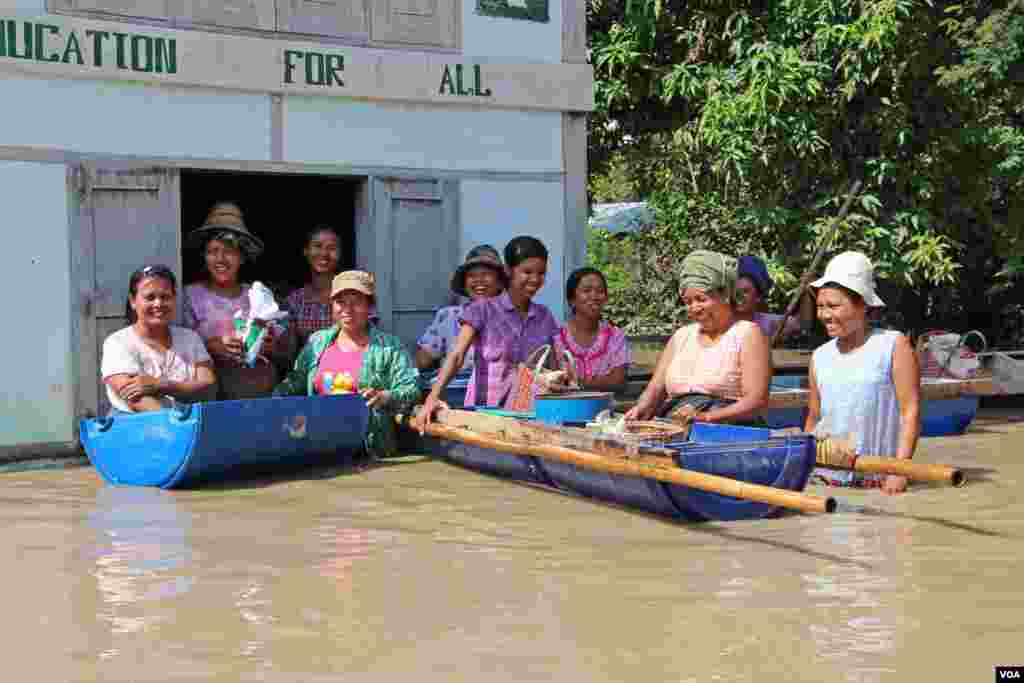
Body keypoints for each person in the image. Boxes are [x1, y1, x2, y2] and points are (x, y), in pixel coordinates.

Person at [416, 236, 568, 428]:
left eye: (541, 273)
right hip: (484, 416)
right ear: (508, 271)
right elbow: (456, 355)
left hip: (527, 416)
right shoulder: (482, 310)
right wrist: (432, 398)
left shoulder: (544, 316)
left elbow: (556, 367)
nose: (535, 279)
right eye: (527, 272)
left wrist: (559, 379)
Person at [804, 251, 921, 494]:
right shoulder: (820, 356)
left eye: (834, 306)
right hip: (824, 477)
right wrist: (801, 466)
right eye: (820, 307)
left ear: (863, 306)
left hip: (877, 479)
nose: (825, 315)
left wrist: (900, 471)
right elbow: (813, 419)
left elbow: (910, 412)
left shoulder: (892, 345)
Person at [274, 270, 420, 458]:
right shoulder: (318, 342)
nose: (347, 309)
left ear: (370, 306)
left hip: (370, 449)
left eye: (356, 302)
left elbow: (411, 389)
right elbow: (297, 381)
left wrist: (385, 396)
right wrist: (274, 401)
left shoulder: (390, 347)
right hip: (318, 446)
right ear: (332, 305)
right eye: (340, 302)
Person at [625, 250, 771, 424]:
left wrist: (706, 417)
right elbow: (656, 388)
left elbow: (756, 402)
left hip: (726, 435)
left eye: (701, 299)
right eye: (688, 302)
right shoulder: (681, 336)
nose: (694, 308)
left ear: (724, 294)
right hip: (678, 428)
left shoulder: (747, 334)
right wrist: (641, 407)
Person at [181, 202, 288, 400]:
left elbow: (282, 349)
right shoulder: (190, 296)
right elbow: (177, 347)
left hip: (261, 393)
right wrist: (214, 345)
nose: (220, 259)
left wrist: (268, 344)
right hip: (213, 398)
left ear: (242, 257)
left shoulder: (258, 294)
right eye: (213, 251)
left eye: (229, 251)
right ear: (204, 257)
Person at [101, 265, 216, 414]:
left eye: (165, 297)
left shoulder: (190, 338)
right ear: (133, 301)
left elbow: (208, 384)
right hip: (135, 428)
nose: (158, 304)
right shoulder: (118, 343)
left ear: (174, 299)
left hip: (186, 426)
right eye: (150, 297)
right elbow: (134, 398)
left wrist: (162, 385)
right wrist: (174, 425)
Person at [415, 244, 507, 371]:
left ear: (500, 282)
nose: (478, 280)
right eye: (472, 275)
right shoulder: (449, 315)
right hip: (455, 388)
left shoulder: (513, 317)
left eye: (486, 274)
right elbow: (422, 361)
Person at [553, 267, 631, 390]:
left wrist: (576, 382)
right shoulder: (556, 338)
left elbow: (618, 380)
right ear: (571, 300)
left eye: (600, 291)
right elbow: (553, 380)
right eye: (587, 290)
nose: (594, 296)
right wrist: (602, 381)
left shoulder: (615, 336)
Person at [286, 226, 343, 347]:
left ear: (340, 253)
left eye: (331, 248)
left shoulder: (354, 295)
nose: (324, 254)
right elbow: (288, 352)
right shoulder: (295, 300)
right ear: (306, 251)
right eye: (317, 246)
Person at [735, 255, 802, 341]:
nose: (739, 296)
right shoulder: (722, 322)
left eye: (746, 291)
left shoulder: (769, 323)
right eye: (736, 291)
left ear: (758, 296)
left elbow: (796, 324)